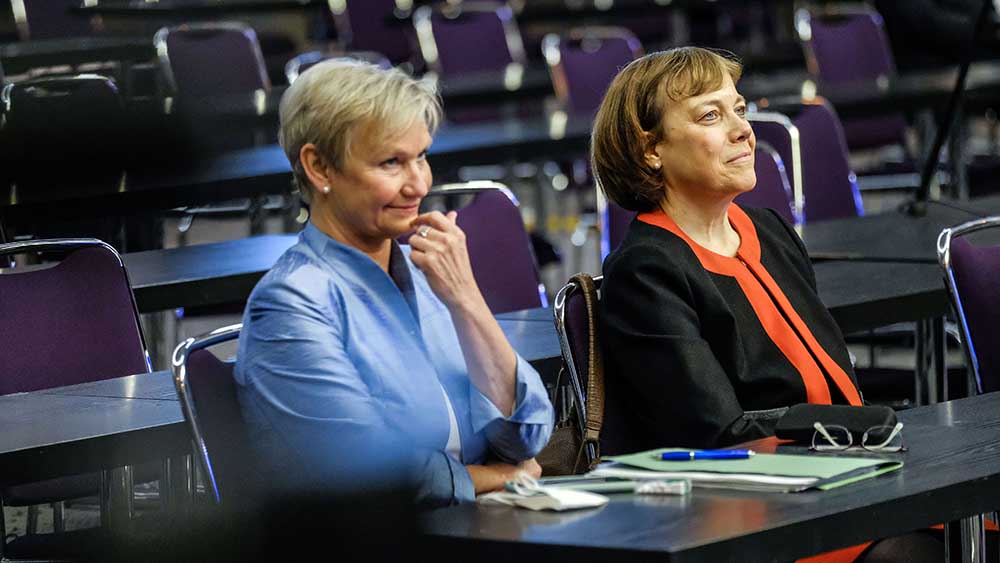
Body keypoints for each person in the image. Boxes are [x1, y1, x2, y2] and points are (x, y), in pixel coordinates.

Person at [593, 46, 947, 563]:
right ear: (651, 150)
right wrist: (849, 433)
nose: (743, 129)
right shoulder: (646, 270)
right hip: (766, 509)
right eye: (711, 115)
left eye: (739, 108)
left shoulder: (769, 231)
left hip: (862, 474)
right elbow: (716, 435)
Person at [234, 59, 553, 507]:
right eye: (391, 162)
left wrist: (465, 299)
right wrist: (496, 477)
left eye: (421, 156)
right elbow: (373, 474)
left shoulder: (430, 274)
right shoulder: (290, 305)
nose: (418, 184)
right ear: (319, 168)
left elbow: (526, 434)